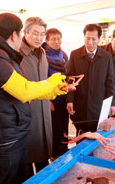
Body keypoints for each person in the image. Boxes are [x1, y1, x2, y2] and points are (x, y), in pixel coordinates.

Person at [0, 13, 67, 184]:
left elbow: (24, 89)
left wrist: (56, 90)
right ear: (15, 34)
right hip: (4, 135)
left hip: (12, 128)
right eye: (24, 33)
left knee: (20, 177)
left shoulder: (0, 53)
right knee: (9, 178)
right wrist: (52, 82)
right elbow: (23, 90)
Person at [19, 17, 53, 176]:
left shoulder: (43, 52)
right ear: (25, 32)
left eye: (42, 34)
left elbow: (45, 80)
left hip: (43, 108)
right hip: (26, 110)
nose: (39, 38)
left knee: (44, 156)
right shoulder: (17, 53)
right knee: (26, 159)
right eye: (35, 33)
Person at [66, 24, 115, 133]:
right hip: (79, 106)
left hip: (98, 106)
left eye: (94, 39)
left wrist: (112, 103)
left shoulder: (106, 56)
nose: (90, 42)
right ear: (84, 37)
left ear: (99, 39)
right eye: (87, 38)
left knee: (97, 138)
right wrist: (69, 100)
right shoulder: (75, 54)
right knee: (80, 137)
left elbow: (110, 82)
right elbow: (70, 79)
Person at [41, 28, 69, 158]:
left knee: (64, 124)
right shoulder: (43, 56)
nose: (57, 41)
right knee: (54, 127)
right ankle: (55, 152)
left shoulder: (63, 55)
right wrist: (48, 100)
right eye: (53, 39)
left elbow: (67, 74)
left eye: (59, 38)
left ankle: (64, 147)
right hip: (52, 98)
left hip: (64, 96)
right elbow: (43, 79)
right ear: (46, 40)